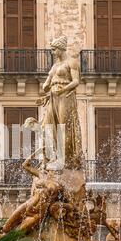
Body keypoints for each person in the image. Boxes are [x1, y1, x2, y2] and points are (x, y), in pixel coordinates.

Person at [39, 35, 83, 171]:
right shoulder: (54, 66)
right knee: (48, 126)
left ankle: (65, 159)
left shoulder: (72, 62)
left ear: (61, 48)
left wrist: (63, 89)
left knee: (63, 127)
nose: (52, 52)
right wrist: (46, 87)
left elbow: (76, 81)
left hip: (65, 97)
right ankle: (51, 157)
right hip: (53, 97)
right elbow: (46, 84)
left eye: (54, 49)